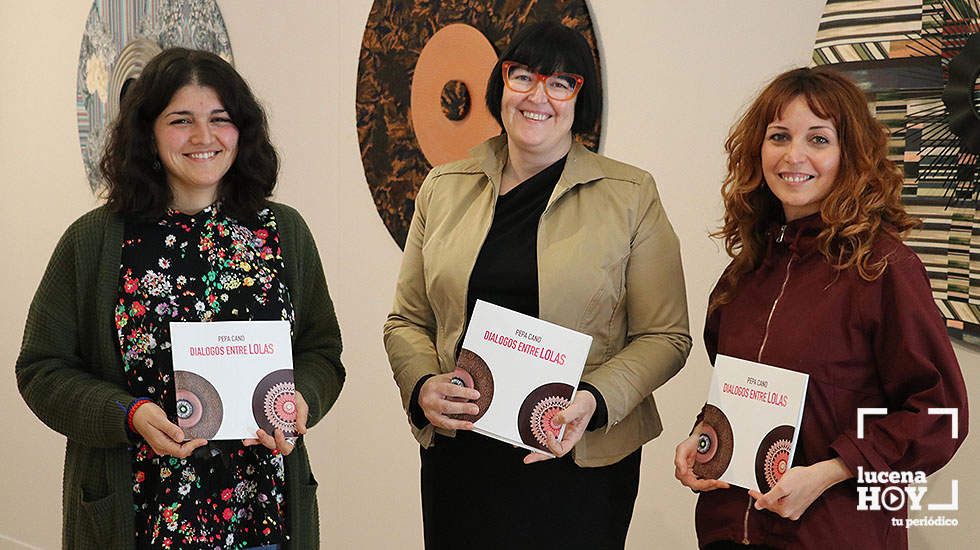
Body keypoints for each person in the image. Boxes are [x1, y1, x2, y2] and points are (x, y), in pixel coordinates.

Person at [16, 48, 344, 549]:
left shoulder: (284, 232)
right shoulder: (95, 241)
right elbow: (41, 370)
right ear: (147, 132)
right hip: (140, 518)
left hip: (263, 516)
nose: (203, 137)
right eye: (181, 120)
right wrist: (128, 416)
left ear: (242, 130)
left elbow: (322, 353)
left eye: (220, 119)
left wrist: (302, 402)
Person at [384, 21, 691, 549]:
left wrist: (593, 400)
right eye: (523, 75)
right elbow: (406, 320)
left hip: (577, 455)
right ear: (501, 84)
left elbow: (667, 336)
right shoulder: (444, 186)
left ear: (581, 98)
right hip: (463, 456)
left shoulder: (630, 194)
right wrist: (420, 386)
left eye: (560, 82)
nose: (537, 96)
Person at [674, 66, 969, 549]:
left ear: (848, 154)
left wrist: (832, 471)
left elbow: (939, 411)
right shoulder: (748, 270)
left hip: (831, 533)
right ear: (758, 150)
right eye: (779, 136)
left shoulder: (884, 267)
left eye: (818, 139)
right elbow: (740, 389)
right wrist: (704, 437)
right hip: (729, 528)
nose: (794, 156)